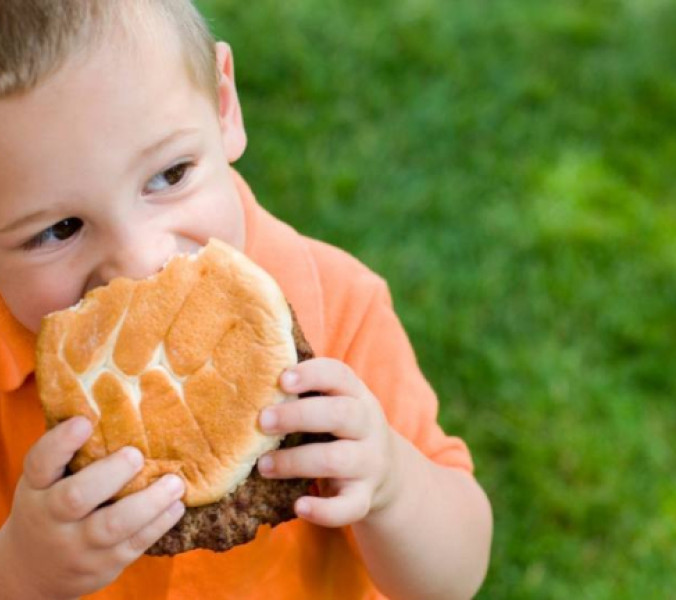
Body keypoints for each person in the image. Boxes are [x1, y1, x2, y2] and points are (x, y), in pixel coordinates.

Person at [0, 1, 492, 599]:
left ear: (224, 103)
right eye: (58, 230)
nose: (140, 261)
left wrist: (390, 483)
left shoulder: (341, 308)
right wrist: (21, 572)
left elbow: (453, 580)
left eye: (170, 174)